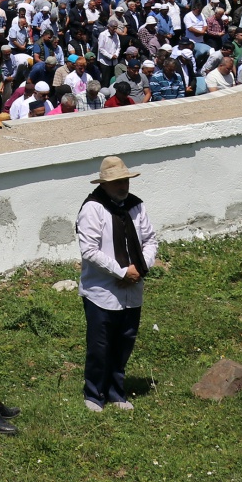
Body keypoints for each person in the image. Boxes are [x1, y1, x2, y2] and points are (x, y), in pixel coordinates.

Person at [75, 156, 158, 413]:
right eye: (116, 182)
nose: (123, 186)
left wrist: (139, 269)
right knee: (100, 345)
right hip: (102, 291)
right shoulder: (93, 208)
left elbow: (151, 240)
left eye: (125, 181)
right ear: (104, 184)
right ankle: (94, 394)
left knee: (125, 341)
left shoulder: (136, 206)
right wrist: (121, 272)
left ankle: (116, 392)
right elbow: (89, 250)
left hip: (132, 288)